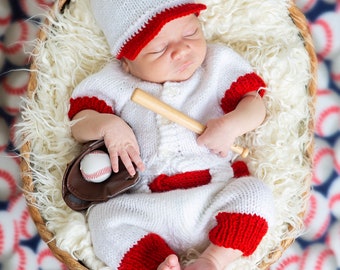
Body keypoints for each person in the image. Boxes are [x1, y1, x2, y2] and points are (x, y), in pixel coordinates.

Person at [68, 0, 275, 269]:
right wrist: (108, 125)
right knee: (102, 219)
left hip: (212, 197)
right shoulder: (117, 83)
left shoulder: (216, 66)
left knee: (256, 194)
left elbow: (255, 104)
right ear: (127, 63)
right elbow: (78, 123)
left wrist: (233, 124)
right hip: (145, 206)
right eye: (159, 49)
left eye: (191, 33)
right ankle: (156, 263)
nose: (181, 51)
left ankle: (213, 259)